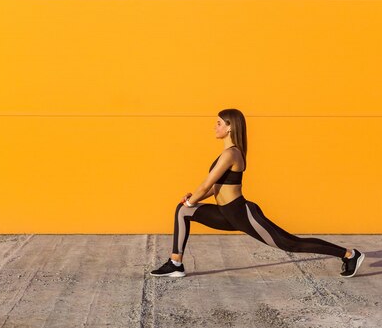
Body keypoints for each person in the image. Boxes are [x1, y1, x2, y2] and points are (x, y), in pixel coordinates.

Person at [150, 108, 365, 278]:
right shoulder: (226, 154)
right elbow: (215, 189)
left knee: (290, 243)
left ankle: (349, 254)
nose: (214, 127)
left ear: (230, 127)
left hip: (242, 213)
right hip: (227, 214)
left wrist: (192, 200)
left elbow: (205, 185)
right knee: (182, 211)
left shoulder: (232, 154)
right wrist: (191, 201)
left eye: (218, 123)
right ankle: (175, 264)